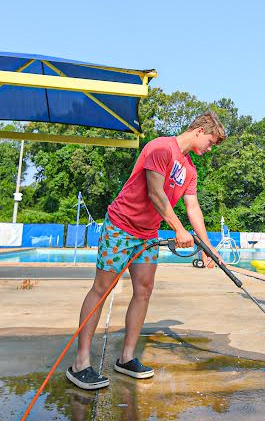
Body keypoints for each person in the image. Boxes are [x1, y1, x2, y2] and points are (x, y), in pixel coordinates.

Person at [66, 110, 226, 390]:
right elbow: (155, 193)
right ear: (200, 131)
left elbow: (193, 207)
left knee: (144, 290)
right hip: (121, 226)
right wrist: (178, 229)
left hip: (147, 235)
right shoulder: (160, 148)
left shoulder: (190, 170)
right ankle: (81, 363)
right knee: (101, 289)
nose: (210, 148)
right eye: (211, 142)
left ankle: (126, 358)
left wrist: (208, 247)